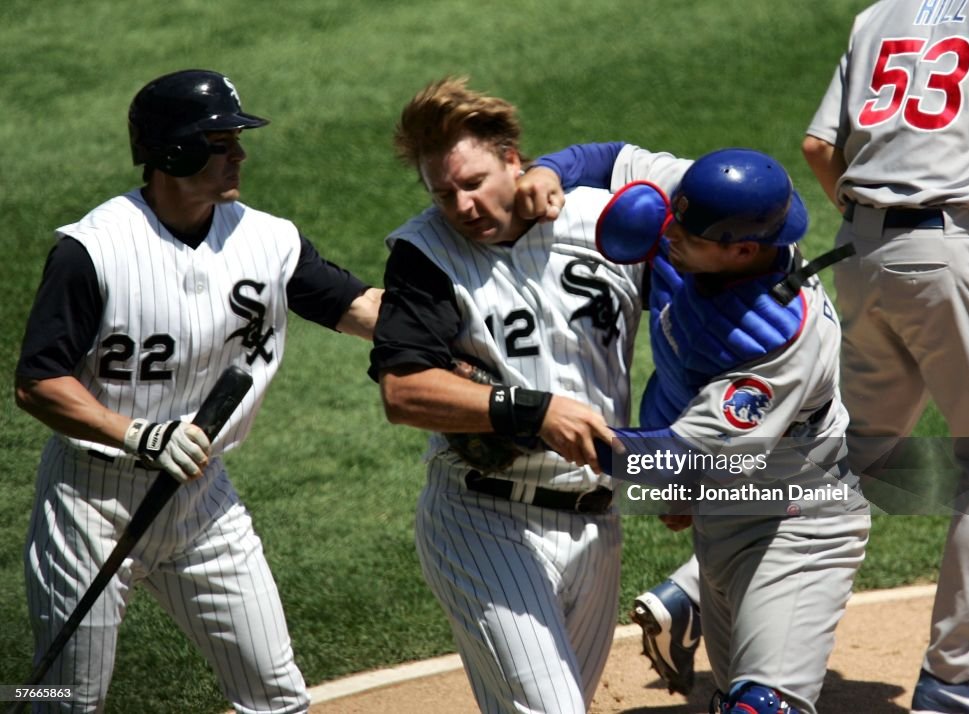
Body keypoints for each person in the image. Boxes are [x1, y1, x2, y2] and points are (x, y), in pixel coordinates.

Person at [14, 69, 381, 713]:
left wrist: (458, 323)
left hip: (204, 501)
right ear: (173, 151)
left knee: (277, 695)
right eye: (221, 140)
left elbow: (362, 310)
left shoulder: (267, 240)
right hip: (91, 501)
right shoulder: (91, 251)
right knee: (64, 700)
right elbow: (38, 383)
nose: (239, 153)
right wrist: (139, 434)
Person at [519, 144, 872, 713]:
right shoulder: (709, 205)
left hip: (797, 522)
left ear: (744, 249)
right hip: (723, 510)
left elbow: (675, 457)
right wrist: (547, 171)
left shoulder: (775, 342)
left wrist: (531, 424)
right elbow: (609, 158)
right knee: (732, 693)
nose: (670, 235)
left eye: (688, 234)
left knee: (762, 705)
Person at [369, 77, 646, 713]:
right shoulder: (425, 255)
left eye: (474, 183)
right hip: (484, 520)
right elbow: (402, 391)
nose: (462, 205)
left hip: (596, 520)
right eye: (444, 193)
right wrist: (532, 410)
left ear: (515, 162)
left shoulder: (601, 224)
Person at [801, 0, 969, 711]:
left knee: (850, 451)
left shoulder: (878, 14)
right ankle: (955, 678)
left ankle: (687, 593)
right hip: (948, 254)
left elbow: (816, 149)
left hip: (859, 255)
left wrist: (878, 232)